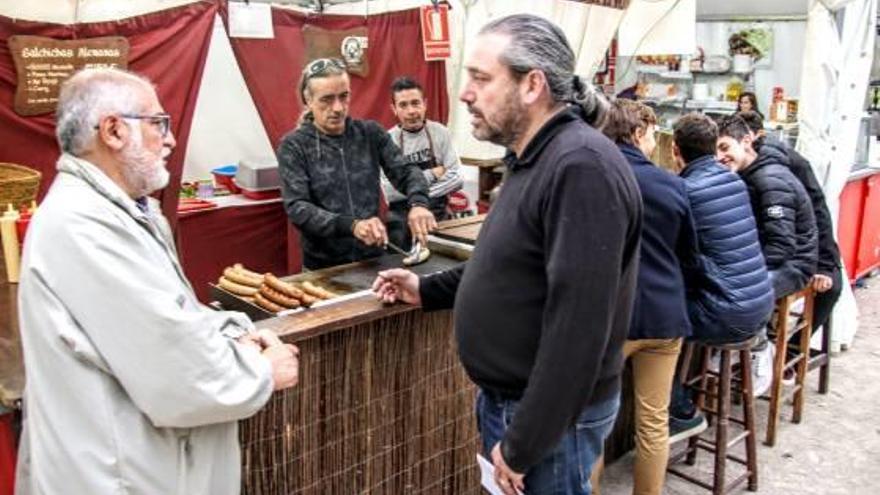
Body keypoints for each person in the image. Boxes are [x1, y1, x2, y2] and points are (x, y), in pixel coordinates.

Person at [373, 14, 642, 495]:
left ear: (532, 84)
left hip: (547, 418)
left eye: (481, 78)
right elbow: (506, 265)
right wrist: (427, 289)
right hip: (518, 406)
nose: (465, 94)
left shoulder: (580, 168)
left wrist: (525, 442)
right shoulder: (531, 157)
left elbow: (579, 327)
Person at [15, 68, 299, 495]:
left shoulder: (120, 210)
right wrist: (260, 371)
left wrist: (232, 331)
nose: (170, 140)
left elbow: (174, 310)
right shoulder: (84, 225)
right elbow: (176, 369)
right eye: (157, 124)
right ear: (113, 131)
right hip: (116, 473)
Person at [591, 100, 698, 495]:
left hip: (610, 320)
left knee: (592, 422)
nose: (656, 142)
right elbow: (690, 254)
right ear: (637, 133)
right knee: (654, 422)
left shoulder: (594, 179)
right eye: (653, 134)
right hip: (664, 316)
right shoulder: (671, 183)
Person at [667, 113, 775, 439]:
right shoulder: (734, 180)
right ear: (713, 147)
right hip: (760, 303)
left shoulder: (684, 191)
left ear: (674, 150)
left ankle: (680, 410)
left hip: (728, 314)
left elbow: (681, 258)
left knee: (652, 327)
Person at [277, 58, 436, 270]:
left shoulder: (369, 133)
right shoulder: (294, 146)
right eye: (327, 99)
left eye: (344, 96)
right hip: (323, 268)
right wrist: (351, 225)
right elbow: (298, 208)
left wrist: (418, 204)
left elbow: (406, 173)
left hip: (372, 259)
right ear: (308, 100)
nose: (338, 108)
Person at [737, 110, 843, 332]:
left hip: (795, 251)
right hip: (766, 246)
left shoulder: (789, 166)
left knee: (830, 288)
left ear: (756, 137)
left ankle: (782, 351)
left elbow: (818, 212)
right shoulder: (737, 164)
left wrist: (825, 264)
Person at [716, 115, 818, 300]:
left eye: (725, 148)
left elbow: (782, 246)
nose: (720, 157)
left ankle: (761, 329)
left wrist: (741, 269)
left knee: (736, 297)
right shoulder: (747, 173)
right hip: (770, 256)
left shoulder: (770, 180)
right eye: (715, 151)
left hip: (794, 265)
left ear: (746, 141)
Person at [383, 76, 464, 247]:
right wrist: (431, 174)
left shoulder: (440, 133)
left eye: (415, 103)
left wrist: (420, 198)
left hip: (438, 214)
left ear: (425, 104)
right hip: (401, 221)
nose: (411, 111)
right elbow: (387, 192)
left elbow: (457, 177)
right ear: (394, 109)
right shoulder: (388, 140)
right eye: (403, 105)